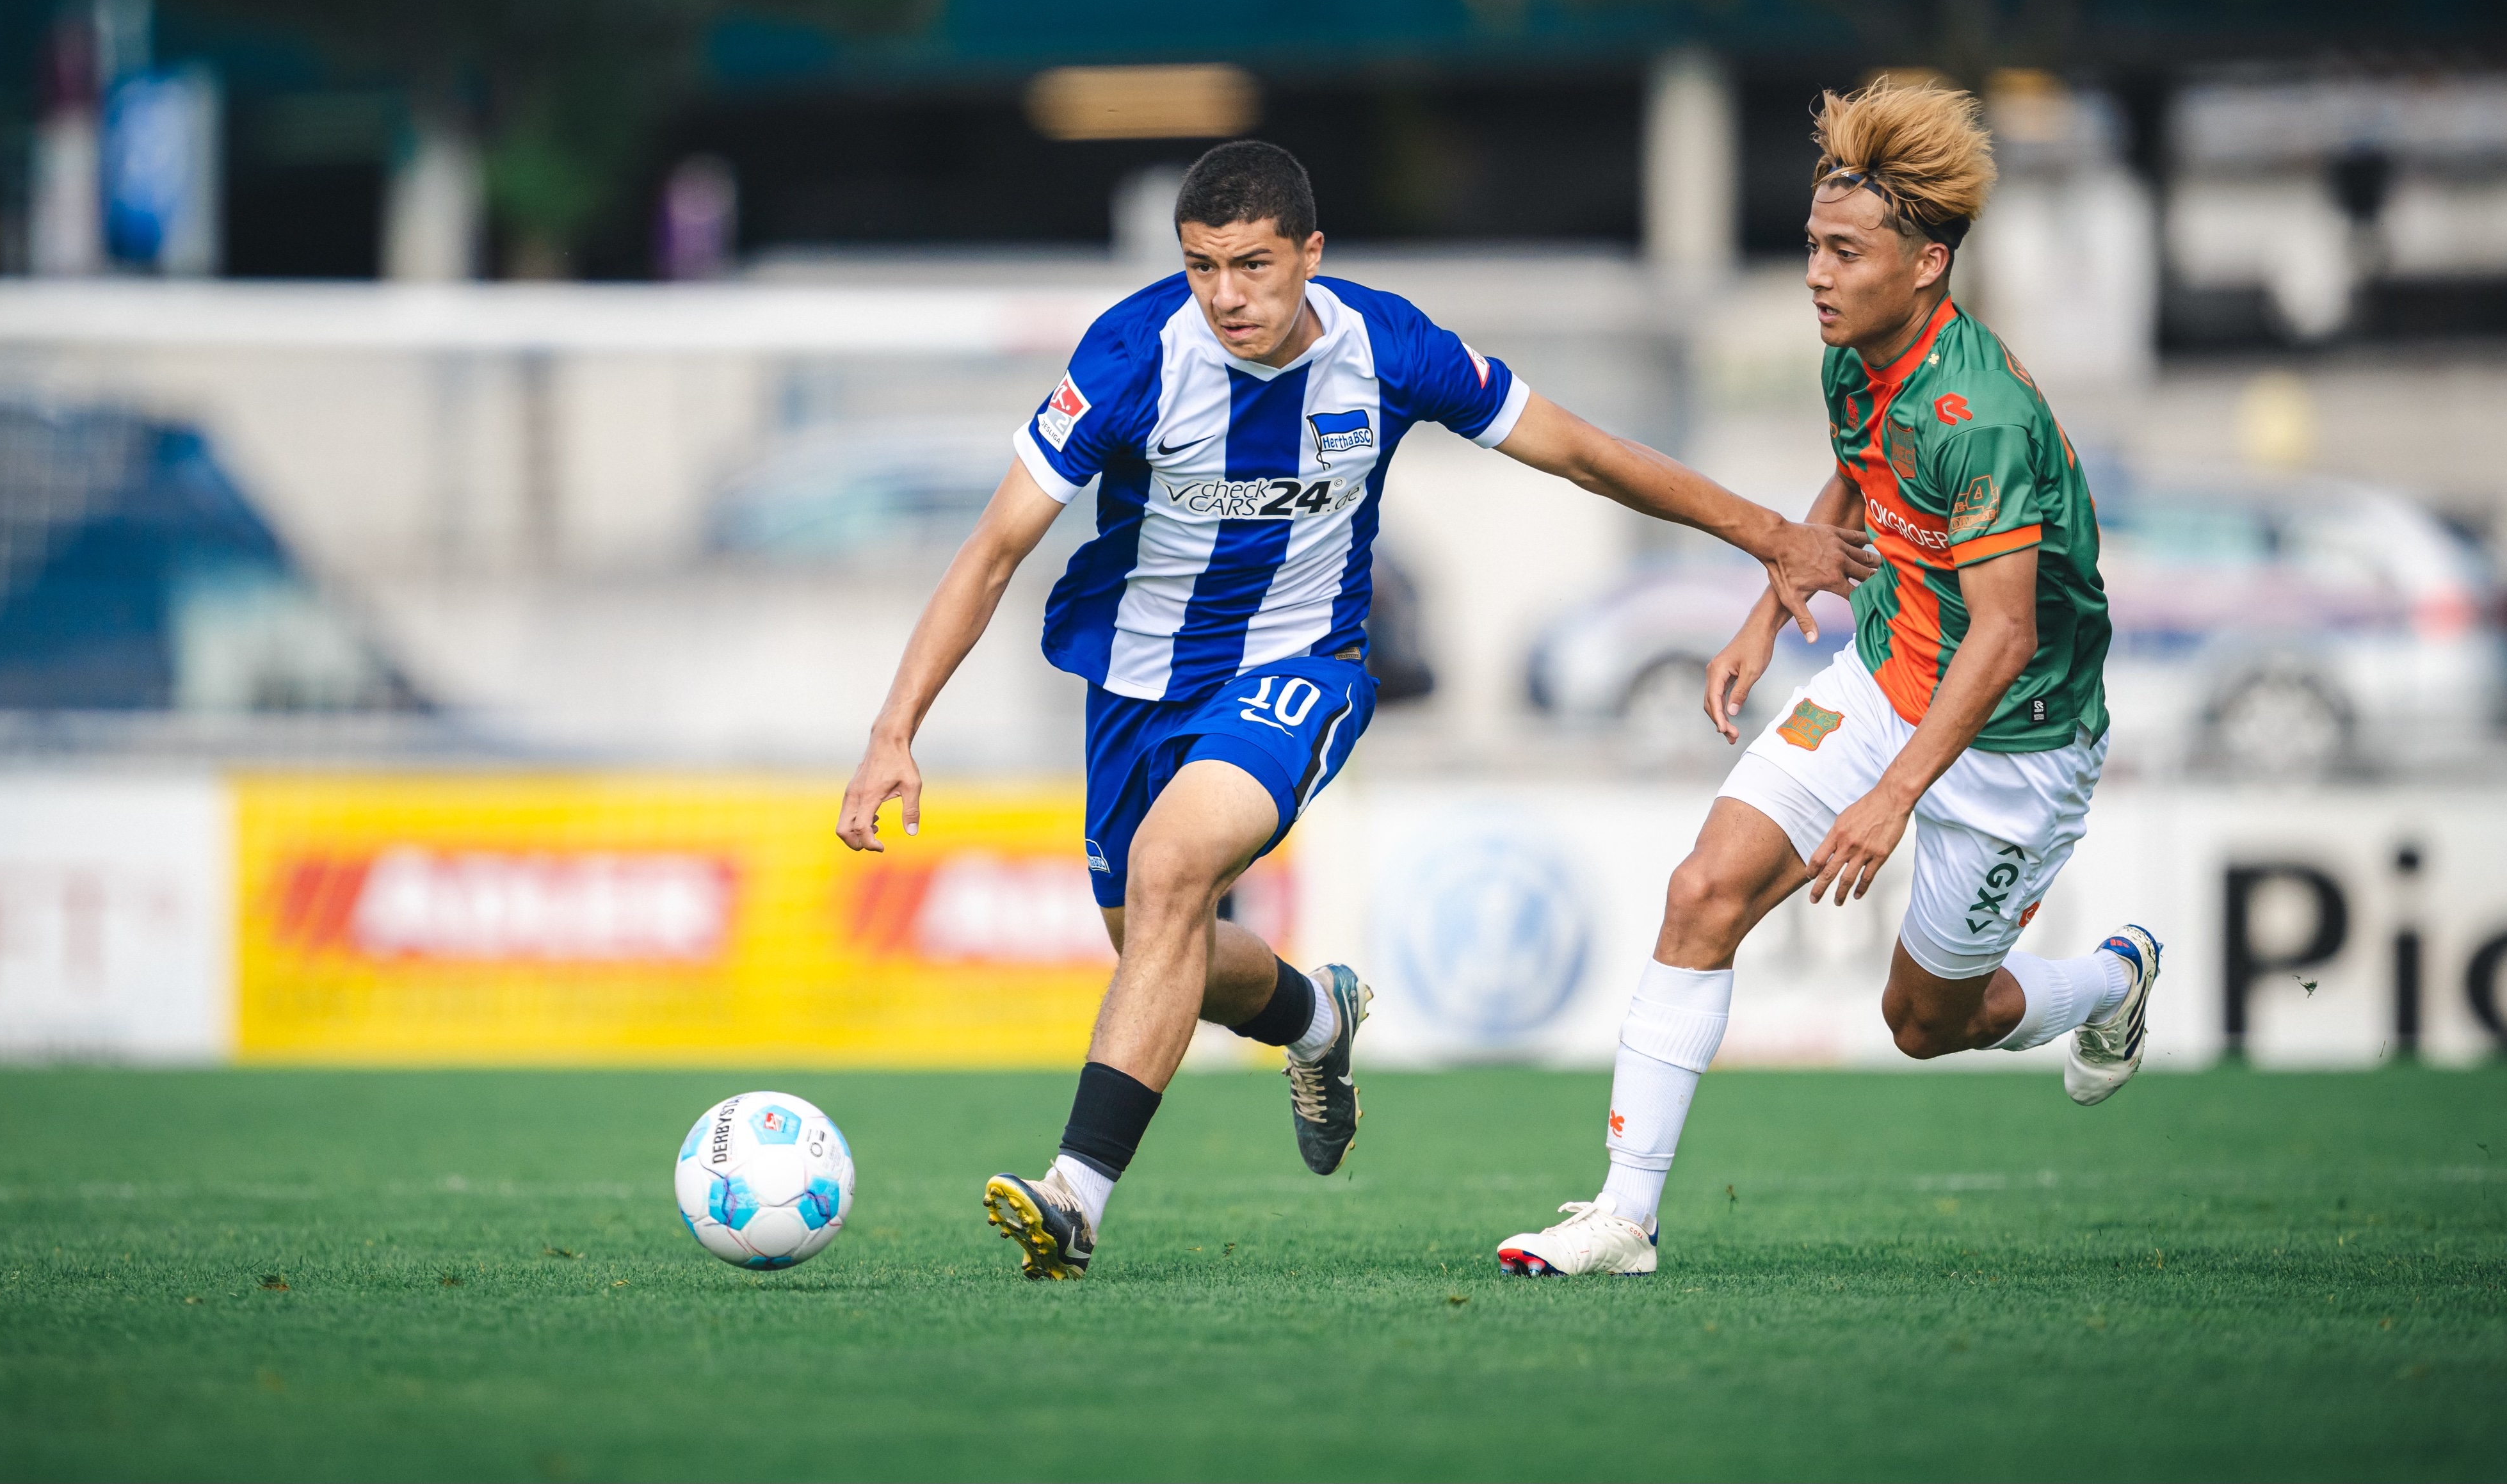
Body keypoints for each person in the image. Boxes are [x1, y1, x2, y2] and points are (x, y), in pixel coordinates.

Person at [835, 140, 1878, 1280]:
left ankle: (1074, 1198)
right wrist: (896, 731)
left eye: (1252, 265)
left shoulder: (1388, 345)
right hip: (1134, 685)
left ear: (1310, 254)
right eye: (1201, 267)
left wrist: (1772, 535)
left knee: (1175, 868)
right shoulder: (1134, 354)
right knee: (1150, 934)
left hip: (1302, 668)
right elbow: (993, 550)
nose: (1227, 296)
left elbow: (1582, 452)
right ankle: (1312, 1017)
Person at [1495, 79, 2161, 1280]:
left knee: (1925, 1025)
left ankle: (2111, 982)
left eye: (1845, 252)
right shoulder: (1855, 360)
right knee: (1704, 892)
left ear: (1927, 265)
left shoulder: (1984, 418)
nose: (1816, 272)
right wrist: (1770, 607)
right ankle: (1623, 1218)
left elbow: (2004, 638)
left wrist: (1894, 796)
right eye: (1811, 246)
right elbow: (1857, 486)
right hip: (1885, 674)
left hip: (2017, 742)